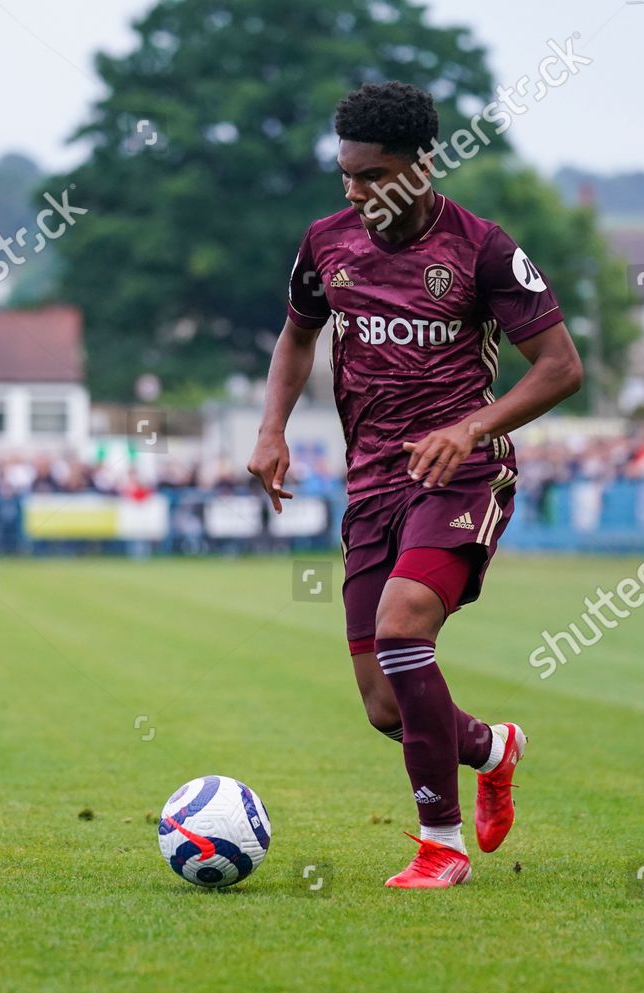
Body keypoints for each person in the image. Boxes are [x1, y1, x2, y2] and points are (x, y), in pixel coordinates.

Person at [248, 82, 582, 889]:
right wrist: (271, 429)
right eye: (347, 175)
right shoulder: (325, 244)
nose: (356, 193)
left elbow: (562, 369)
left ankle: (442, 846)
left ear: (422, 165)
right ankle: (492, 749)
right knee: (384, 705)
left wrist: (473, 426)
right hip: (372, 487)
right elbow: (298, 337)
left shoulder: (483, 249)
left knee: (402, 630)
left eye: (373, 175)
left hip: (463, 470)